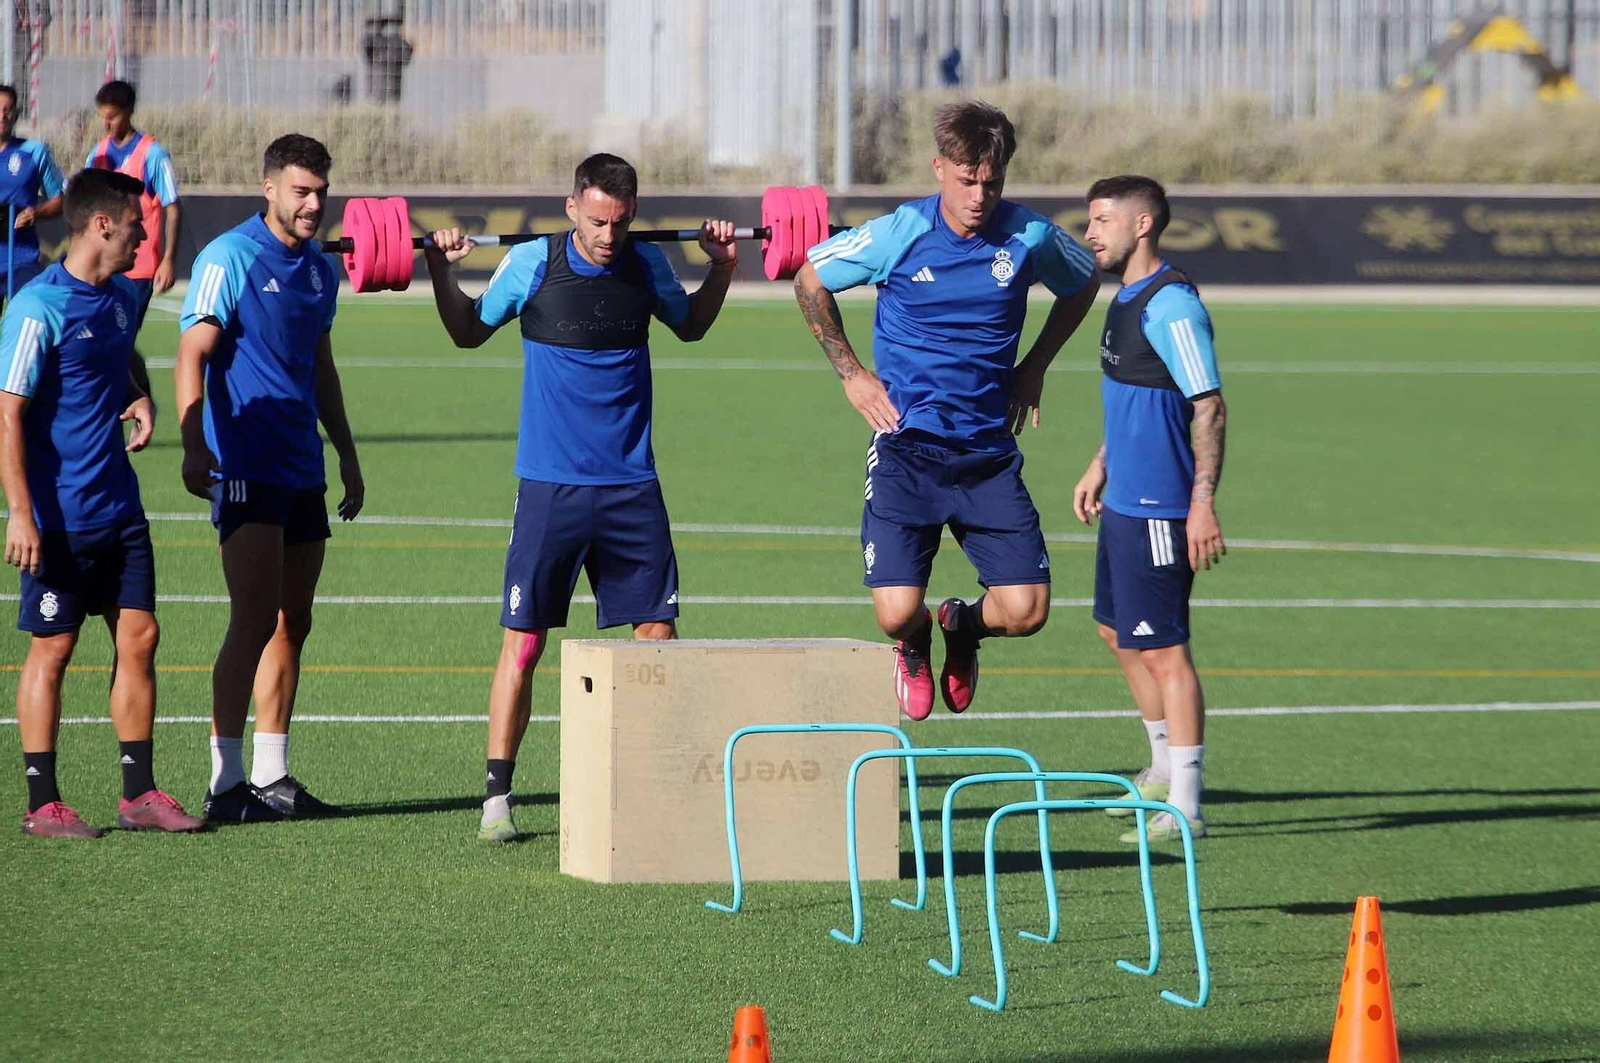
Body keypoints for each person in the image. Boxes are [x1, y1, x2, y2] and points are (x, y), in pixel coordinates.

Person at [425, 152, 737, 842]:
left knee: (658, 635)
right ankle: (497, 803)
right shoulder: (533, 263)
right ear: (572, 208)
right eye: (596, 220)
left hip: (631, 486)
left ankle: (662, 788)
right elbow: (467, 332)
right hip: (551, 486)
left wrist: (721, 268)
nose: (607, 235)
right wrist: (440, 271)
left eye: (620, 223)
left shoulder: (647, 266)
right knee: (525, 642)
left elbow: (690, 326)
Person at [793, 100, 1098, 721]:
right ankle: (914, 642)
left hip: (987, 454)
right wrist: (853, 376)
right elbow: (809, 279)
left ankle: (960, 627)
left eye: (992, 182)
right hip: (908, 449)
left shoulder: (1029, 235)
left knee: (1027, 612)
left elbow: (1084, 280)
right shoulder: (901, 232)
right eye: (966, 180)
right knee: (896, 612)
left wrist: (1034, 365)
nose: (979, 195)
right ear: (939, 169)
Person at [1, 167, 204, 837]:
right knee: (53, 650)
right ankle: (42, 802)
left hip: (120, 510)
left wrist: (133, 393)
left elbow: (116, 355)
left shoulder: (119, 296)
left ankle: (138, 792)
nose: (145, 237)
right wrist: (21, 512)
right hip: (57, 518)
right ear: (101, 225)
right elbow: (8, 416)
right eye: (137, 227)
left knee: (140, 637)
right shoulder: (38, 307)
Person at [175, 134, 363, 824]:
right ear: (270, 188)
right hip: (245, 463)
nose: (313, 203)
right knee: (252, 617)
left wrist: (345, 451)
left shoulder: (318, 270)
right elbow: (191, 352)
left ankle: (272, 774)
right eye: (301, 191)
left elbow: (323, 368)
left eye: (321, 191)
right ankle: (225, 782)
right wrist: (194, 446)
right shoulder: (230, 257)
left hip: (301, 467)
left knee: (294, 620)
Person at [1074, 174, 1227, 844]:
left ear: (1141, 225)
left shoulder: (1172, 307)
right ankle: (1162, 768)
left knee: (1166, 650)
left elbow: (1209, 404)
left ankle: (1187, 803)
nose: (1090, 233)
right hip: (1124, 502)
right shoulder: (1125, 298)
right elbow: (1135, 395)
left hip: (1164, 507)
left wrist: (1201, 505)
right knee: (1116, 632)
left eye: (1102, 220)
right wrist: (1100, 463)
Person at [87, 79, 180, 399]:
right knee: (110, 336)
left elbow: (172, 206)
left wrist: (168, 259)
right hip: (104, 264)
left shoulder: (152, 153)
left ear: (128, 113)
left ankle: (136, 402)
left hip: (139, 266)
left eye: (112, 116)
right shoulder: (98, 153)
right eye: (102, 116)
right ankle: (138, 400)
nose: (106, 123)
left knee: (119, 336)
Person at [0, 84, 64, 311]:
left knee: (28, 323)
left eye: (7, 110)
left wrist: (35, 212)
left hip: (21, 259)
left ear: (16, 114)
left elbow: (60, 199)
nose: (2, 116)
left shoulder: (34, 152)